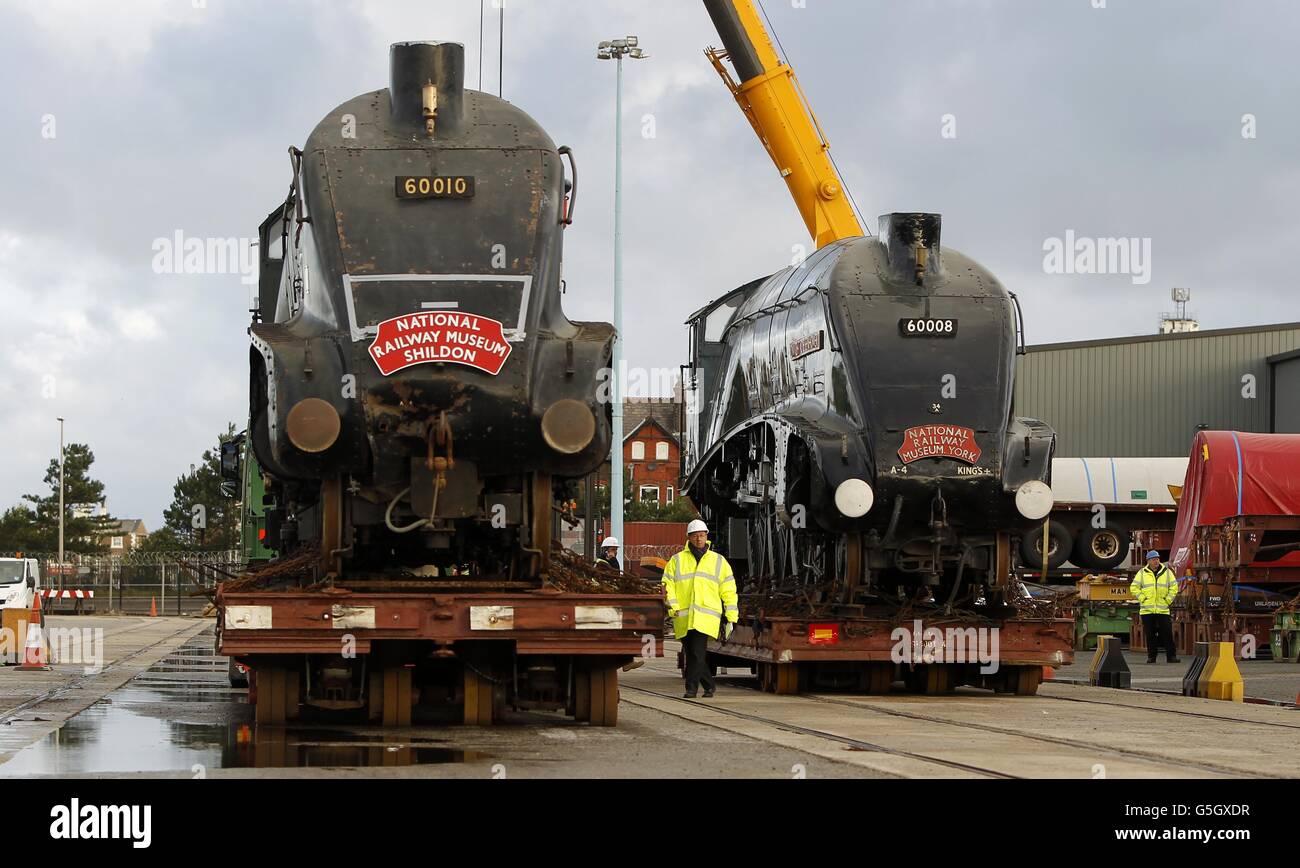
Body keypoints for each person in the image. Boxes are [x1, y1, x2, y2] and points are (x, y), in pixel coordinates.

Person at [661, 519, 738, 698]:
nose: (699, 539)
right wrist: (673, 607)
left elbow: (728, 589)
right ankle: (709, 685)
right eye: (695, 536)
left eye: (702, 536)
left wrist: (731, 616)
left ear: (707, 537)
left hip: (705, 617)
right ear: (688, 538)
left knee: (696, 652)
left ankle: (691, 688)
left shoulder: (718, 561)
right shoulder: (677, 561)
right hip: (683, 616)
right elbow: (667, 585)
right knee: (692, 652)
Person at [1130, 549, 1181, 663]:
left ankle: (1171, 657)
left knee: (1167, 633)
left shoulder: (1167, 572)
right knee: (1150, 635)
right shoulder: (1142, 573)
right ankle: (1151, 657)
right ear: (1148, 561)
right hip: (1147, 610)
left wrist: (1167, 600)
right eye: (1153, 559)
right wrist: (1143, 598)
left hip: (1162, 609)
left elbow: (1174, 587)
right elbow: (1134, 587)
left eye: (1157, 559)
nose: (1156, 561)